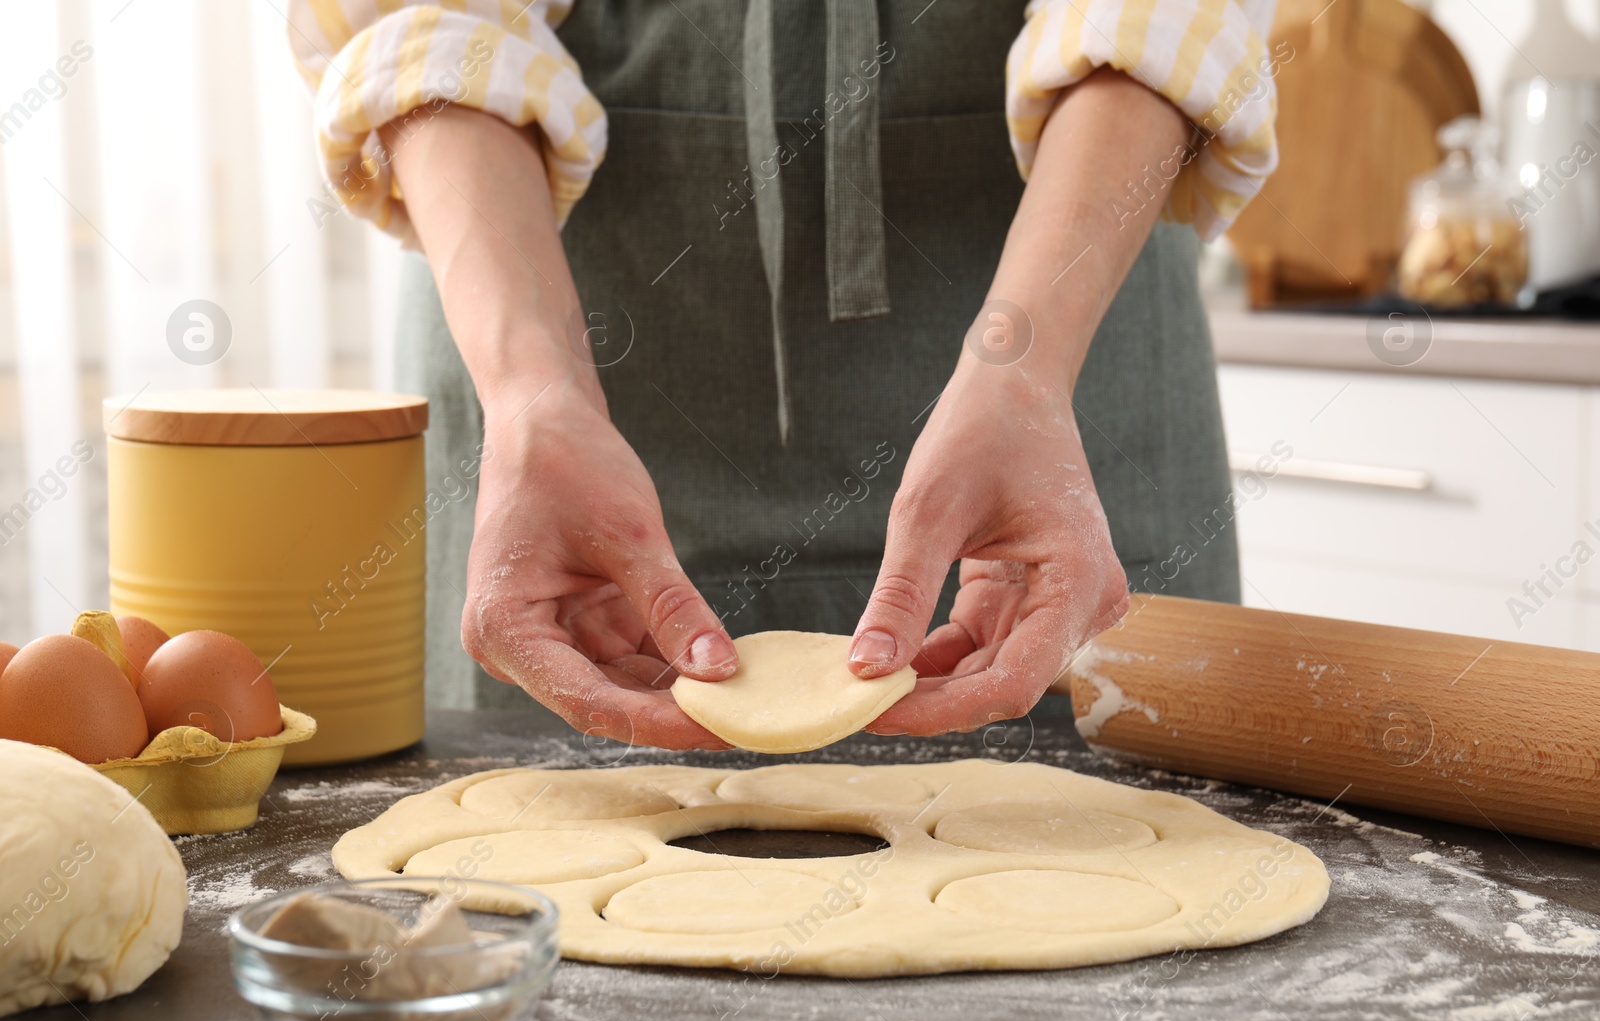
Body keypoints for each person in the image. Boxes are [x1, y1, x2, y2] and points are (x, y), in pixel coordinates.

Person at [288, 0, 1279, 749]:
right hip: (557, 388)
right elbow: (424, 24)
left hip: (1065, 352)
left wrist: (1023, 371)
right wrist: (533, 393)